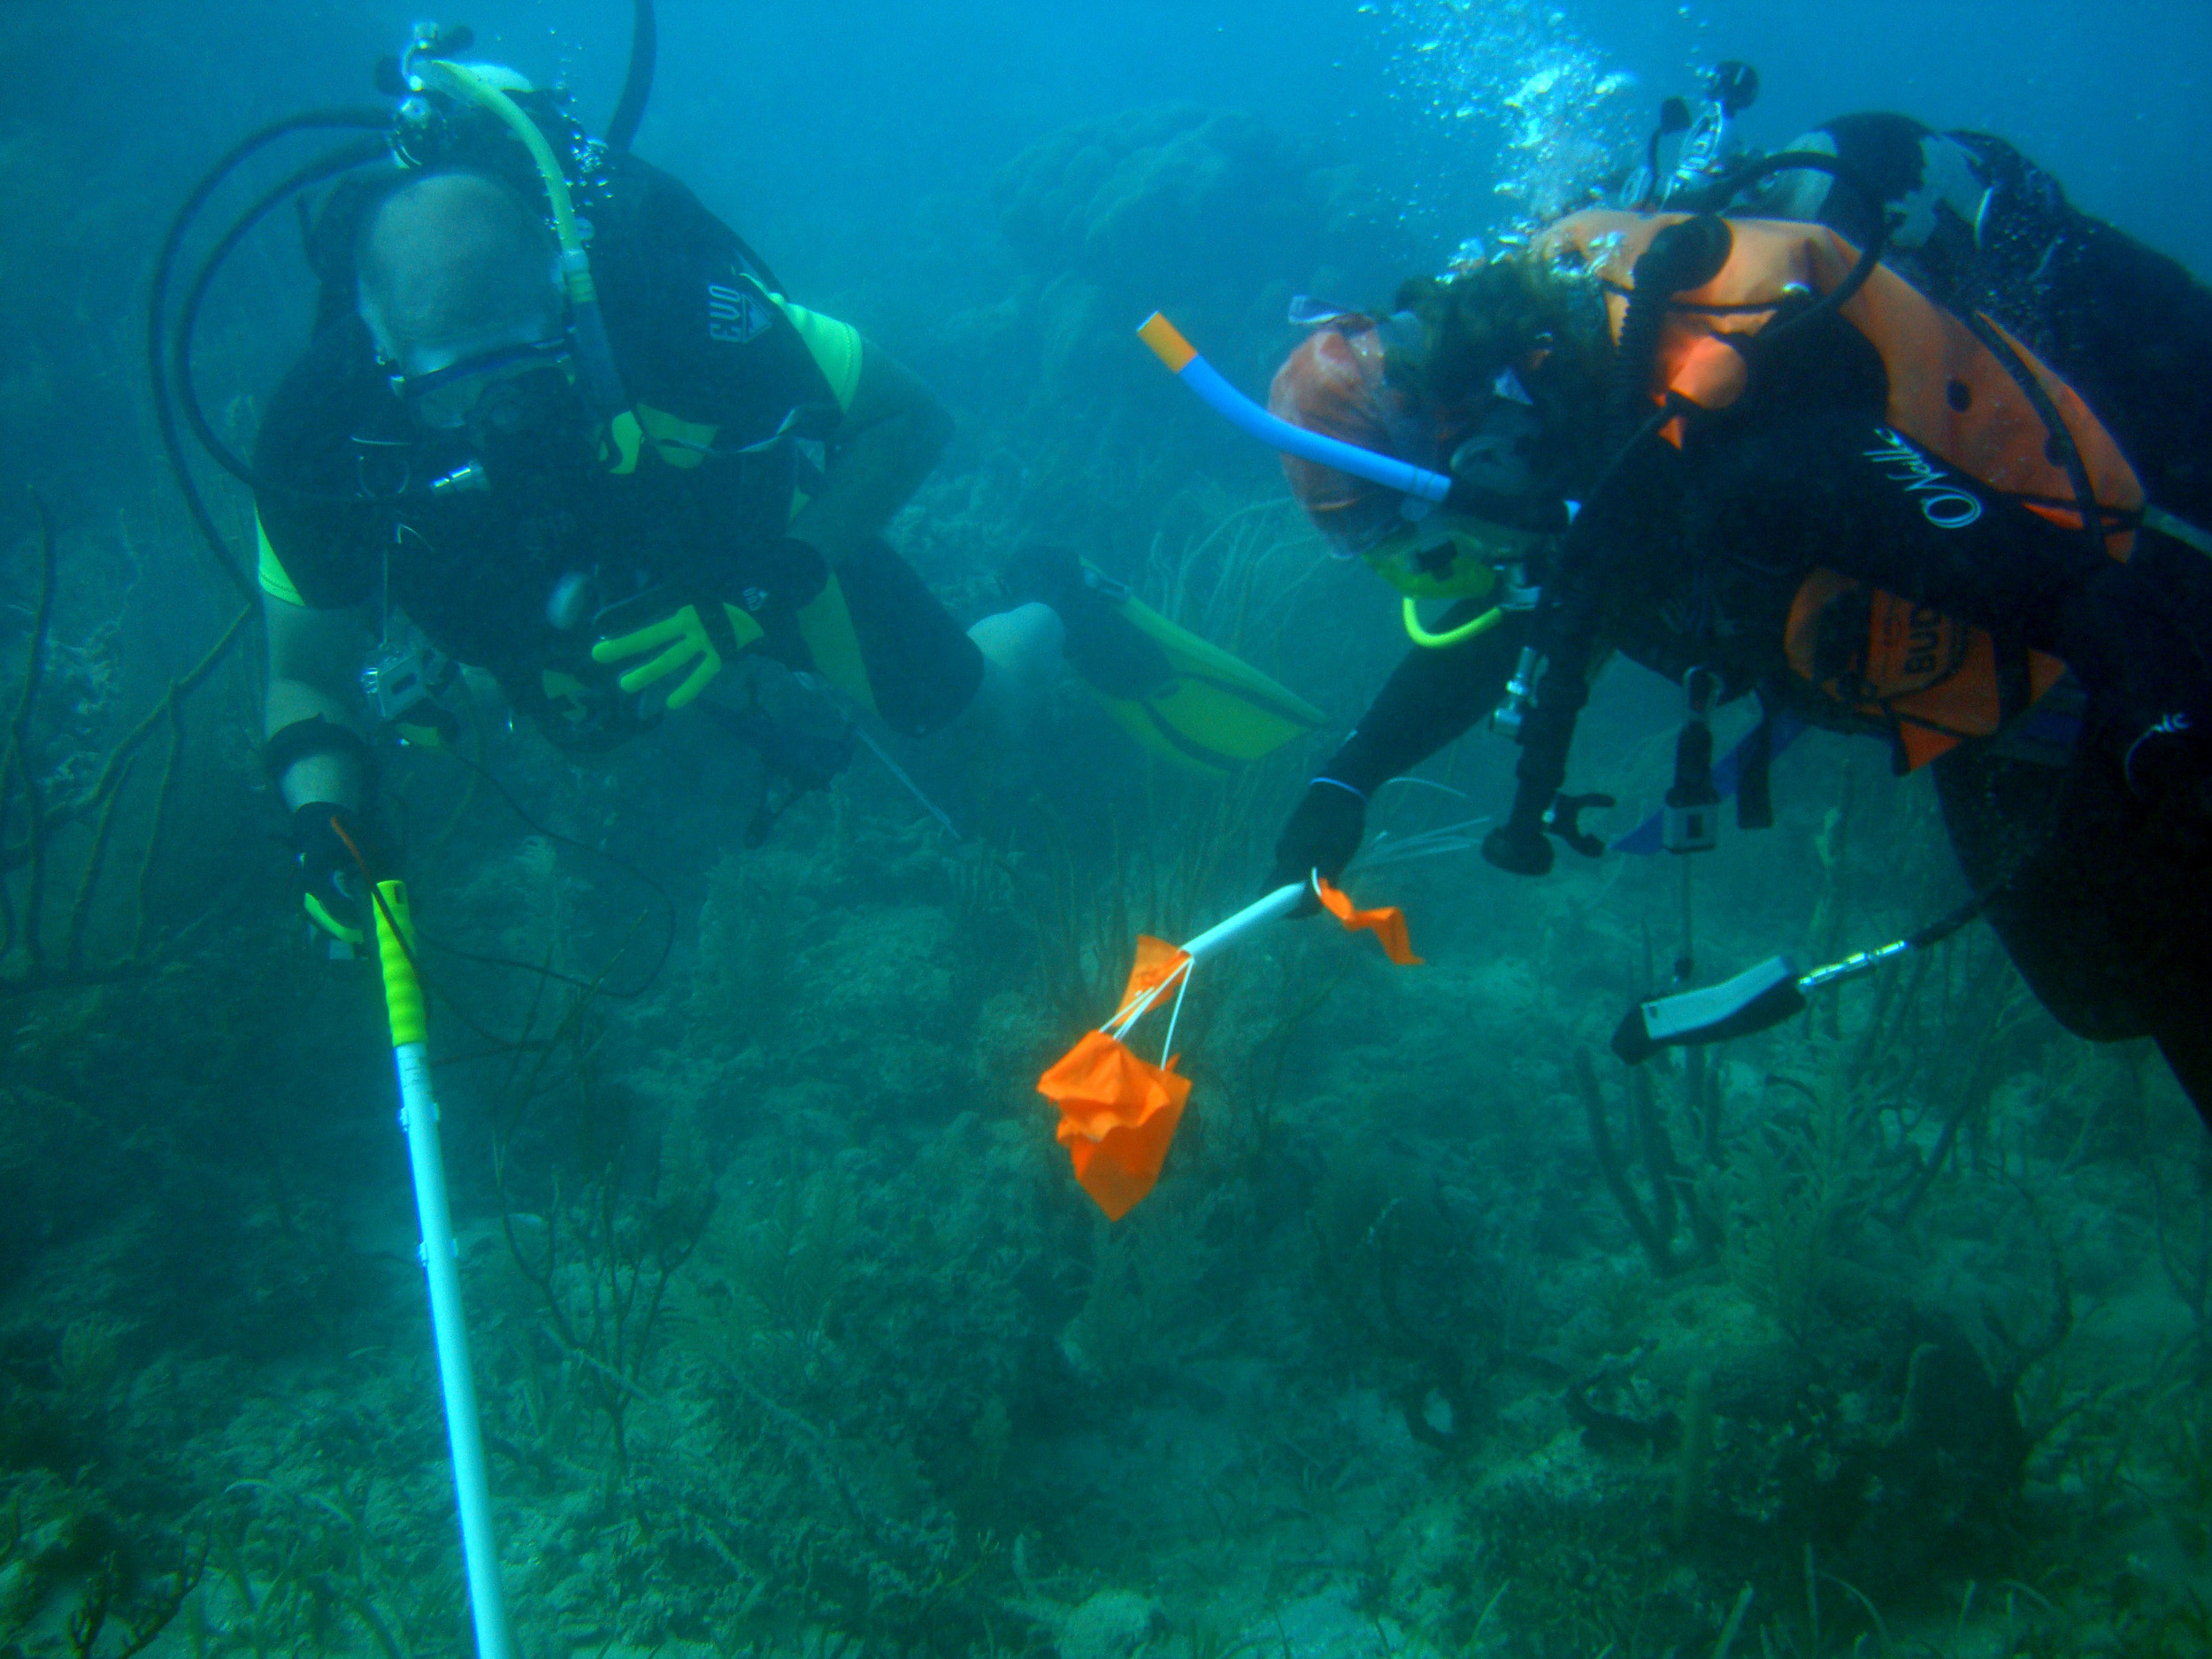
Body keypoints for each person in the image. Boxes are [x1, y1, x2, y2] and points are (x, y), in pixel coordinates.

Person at [1257, 126, 2212, 1123]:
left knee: (2166, 960)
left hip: (2110, 601)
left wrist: (2166, 732)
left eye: (1421, 533)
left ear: (1469, 448)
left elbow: (2077, 596)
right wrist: (1346, 780)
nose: (1443, 567)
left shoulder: (1732, 443)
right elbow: (1512, 624)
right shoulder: (1573, 476)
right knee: (2098, 982)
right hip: (2001, 676)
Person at [254, 62, 1316, 946]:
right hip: (529, 626)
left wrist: (764, 584)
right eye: (456, 393)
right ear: (383, 355)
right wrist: (324, 817)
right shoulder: (315, 432)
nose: (502, 421)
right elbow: (301, 675)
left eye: (530, 375)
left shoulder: (671, 309)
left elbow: (912, 419)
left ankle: (1060, 603)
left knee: (983, 717)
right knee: (448, 714)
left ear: (566, 299)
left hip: (752, 555)